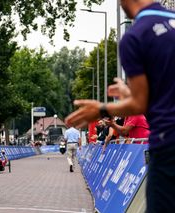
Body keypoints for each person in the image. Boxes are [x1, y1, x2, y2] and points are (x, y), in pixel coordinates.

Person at [65, 1, 175, 212]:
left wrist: (101, 109)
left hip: (168, 144)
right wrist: (130, 93)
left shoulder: (136, 36)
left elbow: (139, 103)